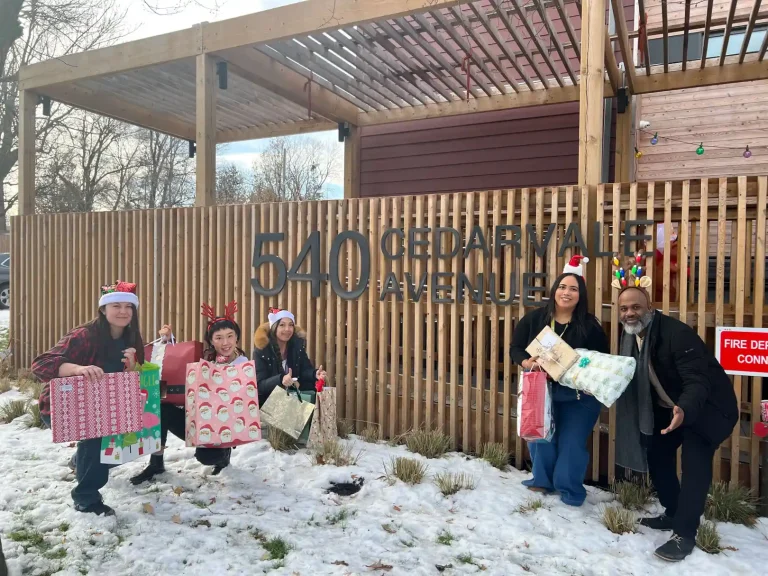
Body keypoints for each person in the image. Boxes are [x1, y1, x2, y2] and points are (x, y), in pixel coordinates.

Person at [615, 271, 738, 562]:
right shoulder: (634, 337)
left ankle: (685, 532)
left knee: (695, 466)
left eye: (635, 307)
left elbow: (697, 380)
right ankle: (672, 511)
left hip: (705, 409)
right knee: (658, 456)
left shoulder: (676, 334)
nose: (629, 313)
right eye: (623, 308)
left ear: (650, 307)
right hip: (669, 409)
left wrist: (684, 408)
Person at [32, 281, 145, 516]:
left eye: (128, 306)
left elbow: (135, 378)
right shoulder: (84, 335)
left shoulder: (132, 337)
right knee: (95, 439)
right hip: (64, 407)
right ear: (103, 309)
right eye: (116, 305)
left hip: (108, 406)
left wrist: (134, 366)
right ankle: (86, 499)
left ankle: (80, 462)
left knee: (131, 443)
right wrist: (76, 369)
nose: (123, 311)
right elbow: (40, 364)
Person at [510, 256, 610, 507]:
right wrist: (527, 363)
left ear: (581, 294)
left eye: (574, 289)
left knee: (572, 444)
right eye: (562, 287)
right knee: (541, 437)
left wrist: (584, 365)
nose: (566, 293)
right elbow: (516, 349)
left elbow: (601, 360)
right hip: (541, 391)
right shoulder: (535, 319)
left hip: (580, 396)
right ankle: (542, 480)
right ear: (554, 289)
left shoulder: (590, 326)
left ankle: (570, 489)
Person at [130, 301, 246, 485]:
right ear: (211, 340)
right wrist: (167, 340)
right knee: (161, 407)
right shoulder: (204, 358)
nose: (225, 342)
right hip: (199, 421)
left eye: (230, 336)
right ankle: (156, 463)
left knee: (206, 457)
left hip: (224, 425)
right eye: (219, 337)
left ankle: (224, 453)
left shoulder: (242, 365)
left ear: (237, 338)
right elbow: (178, 359)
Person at [253, 308, 327, 406]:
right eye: (282, 325)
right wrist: (280, 379)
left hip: (293, 401)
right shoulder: (262, 350)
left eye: (291, 325)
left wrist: (315, 374)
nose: (287, 329)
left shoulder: (297, 345)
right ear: (274, 327)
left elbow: (304, 369)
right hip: (269, 404)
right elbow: (259, 385)